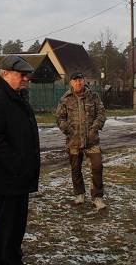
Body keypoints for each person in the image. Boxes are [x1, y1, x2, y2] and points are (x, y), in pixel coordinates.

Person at [0, 54, 40, 265]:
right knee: (1, 229)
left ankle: (14, 260)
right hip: (5, 180)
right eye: (22, 75)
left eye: (27, 76)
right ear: (6, 74)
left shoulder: (18, 97)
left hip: (19, 179)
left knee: (16, 228)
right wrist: (17, 166)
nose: (26, 79)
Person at [56, 71, 107, 209]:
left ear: (84, 81)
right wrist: (69, 130)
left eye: (80, 80)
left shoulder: (93, 97)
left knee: (97, 167)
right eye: (75, 80)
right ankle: (79, 193)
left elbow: (101, 113)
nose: (78, 83)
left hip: (91, 140)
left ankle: (97, 197)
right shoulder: (65, 99)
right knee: (75, 169)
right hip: (73, 141)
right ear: (71, 82)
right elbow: (59, 118)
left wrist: (95, 127)